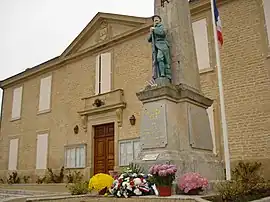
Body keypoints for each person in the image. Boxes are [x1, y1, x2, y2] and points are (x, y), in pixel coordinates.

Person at [148, 15, 172, 82]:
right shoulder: (153, 28)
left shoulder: (162, 27)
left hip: (162, 45)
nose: (156, 22)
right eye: (154, 21)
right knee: (157, 60)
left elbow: (163, 33)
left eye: (157, 20)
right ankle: (160, 74)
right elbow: (149, 39)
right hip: (156, 46)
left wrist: (154, 30)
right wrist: (151, 32)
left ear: (160, 20)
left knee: (160, 58)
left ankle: (163, 74)